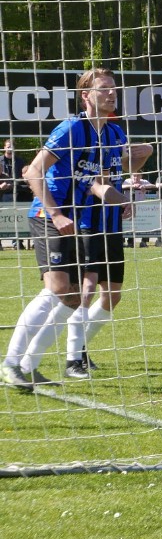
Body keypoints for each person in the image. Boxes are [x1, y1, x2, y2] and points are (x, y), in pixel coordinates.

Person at [2, 68, 150, 389]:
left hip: (75, 220)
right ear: (86, 96)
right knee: (58, 289)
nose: (112, 93)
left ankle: (28, 366)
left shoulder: (111, 134)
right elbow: (33, 172)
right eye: (104, 89)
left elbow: (99, 184)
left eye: (114, 88)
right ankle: (11, 364)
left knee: (70, 299)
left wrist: (122, 200)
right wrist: (55, 214)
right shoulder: (72, 128)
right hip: (49, 215)